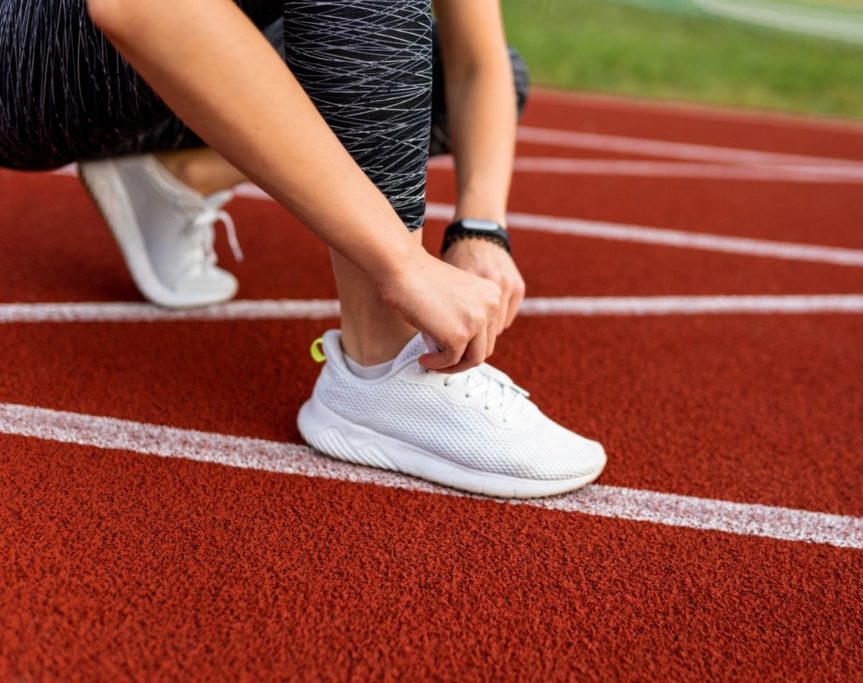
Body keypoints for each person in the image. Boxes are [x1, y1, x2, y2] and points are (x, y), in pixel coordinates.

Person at [0, 0, 606, 498]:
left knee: (443, 68)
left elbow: (478, 63)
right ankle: (382, 365)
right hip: (25, 56)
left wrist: (481, 229)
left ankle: (175, 178)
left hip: (149, 80)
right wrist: (402, 265)